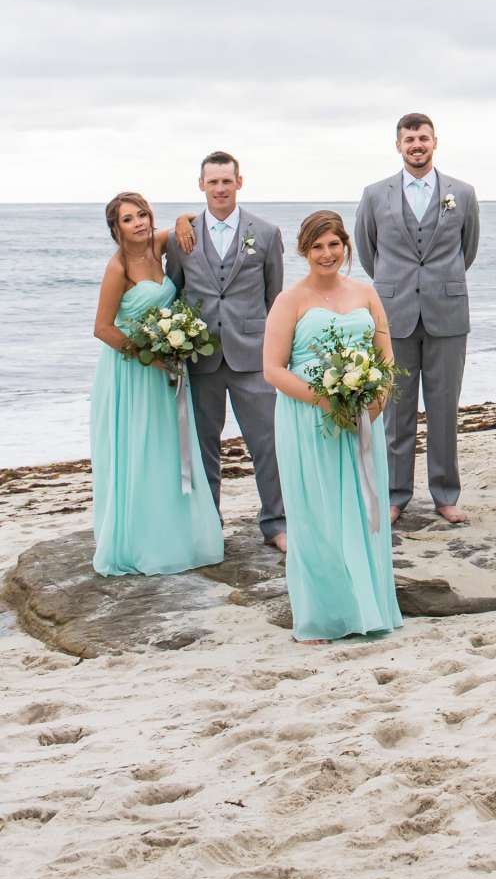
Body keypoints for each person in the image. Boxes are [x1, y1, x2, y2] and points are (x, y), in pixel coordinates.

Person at [263, 211, 402, 643]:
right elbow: (272, 369)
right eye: (317, 246)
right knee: (317, 514)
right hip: (309, 419)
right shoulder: (290, 300)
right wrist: (327, 400)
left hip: (361, 420)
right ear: (304, 251)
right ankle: (322, 617)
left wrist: (374, 403)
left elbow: (386, 359)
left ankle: (368, 607)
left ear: (346, 247)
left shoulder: (366, 293)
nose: (327, 254)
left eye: (334, 245)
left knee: (364, 512)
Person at [354, 113, 480, 525]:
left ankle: (446, 495)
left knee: (444, 409)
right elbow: (367, 250)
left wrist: (439, 282)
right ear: (398, 145)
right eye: (409, 139)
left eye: (423, 138)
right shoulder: (375, 195)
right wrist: (397, 286)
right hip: (395, 314)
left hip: (447, 313)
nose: (417, 145)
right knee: (395, 410)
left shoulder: (463, 193)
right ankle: (395, 495)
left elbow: (468, 249)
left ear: (435, 142)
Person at [91, 192, 225, 577]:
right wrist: (148, 353)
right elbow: (102, 328)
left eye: (143, 215)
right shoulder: (117, 267)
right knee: (139, 451)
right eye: (129, 219)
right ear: (116, 228)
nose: (139, 223)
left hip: (167, 369)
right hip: (131, 375)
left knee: (169, 449)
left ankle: (179, 533)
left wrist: (182, 220)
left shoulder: (157, 244)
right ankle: (140, 539)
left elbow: (188, 221)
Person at [166, 152, 287, 551]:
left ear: (240, 182)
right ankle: (207, 523)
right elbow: (176, 292)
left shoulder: (266, 234)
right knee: (203, 446)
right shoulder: (179, 237)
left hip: (251, 355)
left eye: (226, 181)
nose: (220, 188)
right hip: (201, 357)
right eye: (213, 181)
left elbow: (275, 300)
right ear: (201, 185)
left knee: (267, 443)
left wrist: (277, 353)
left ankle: (276, 522)